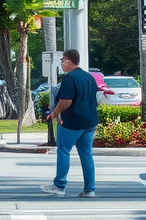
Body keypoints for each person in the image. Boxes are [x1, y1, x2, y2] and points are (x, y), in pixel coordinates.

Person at [41, 48, 98, 198]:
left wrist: (55, 113)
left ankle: (59, 185)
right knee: (86, 154)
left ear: (68, 61)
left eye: (62, 61)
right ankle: (89, 189)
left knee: (63, 150)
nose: (62, 64)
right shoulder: (89, 77)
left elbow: (66, 101)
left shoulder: (69, 78)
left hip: (72, 121)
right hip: (90, 121)